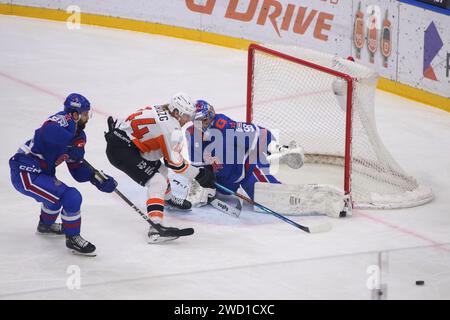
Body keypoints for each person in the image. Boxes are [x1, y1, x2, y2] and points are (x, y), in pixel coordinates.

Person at [9, 93, 117, 256]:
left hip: (41, 172)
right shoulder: (61, 121)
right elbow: (44, 133)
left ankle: (46, 225)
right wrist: (67, 145)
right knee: (71, 196)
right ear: (75, 114)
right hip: (25, 171)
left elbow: (76, 170)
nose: (88, 118)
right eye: (85, 114)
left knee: (56, 196)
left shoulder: (79, 135)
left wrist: (94, 178)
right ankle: (73, 238)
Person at [104, 93, 215, 243]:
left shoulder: (160, 108)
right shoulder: (171, 128)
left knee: (162, 170)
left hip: (126, 143)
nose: (188, 120)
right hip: (123, 151)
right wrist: (199, 175)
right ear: (176, 112)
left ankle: (168, 199)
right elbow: (176, 164)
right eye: (186, 116)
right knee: (157, 182)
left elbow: (168, 161)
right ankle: (155, 228)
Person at [185, 99, 304, 203]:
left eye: (205, 119)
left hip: (246, 168)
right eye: (199, 121)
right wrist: (204, 182)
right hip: (225, 178)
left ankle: (281, 153)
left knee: (269, 197)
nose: (203, 124)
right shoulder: (192, 135)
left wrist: (275, 147)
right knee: (208, 194)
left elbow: (258, 133)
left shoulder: (224, 125)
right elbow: (197, 166)